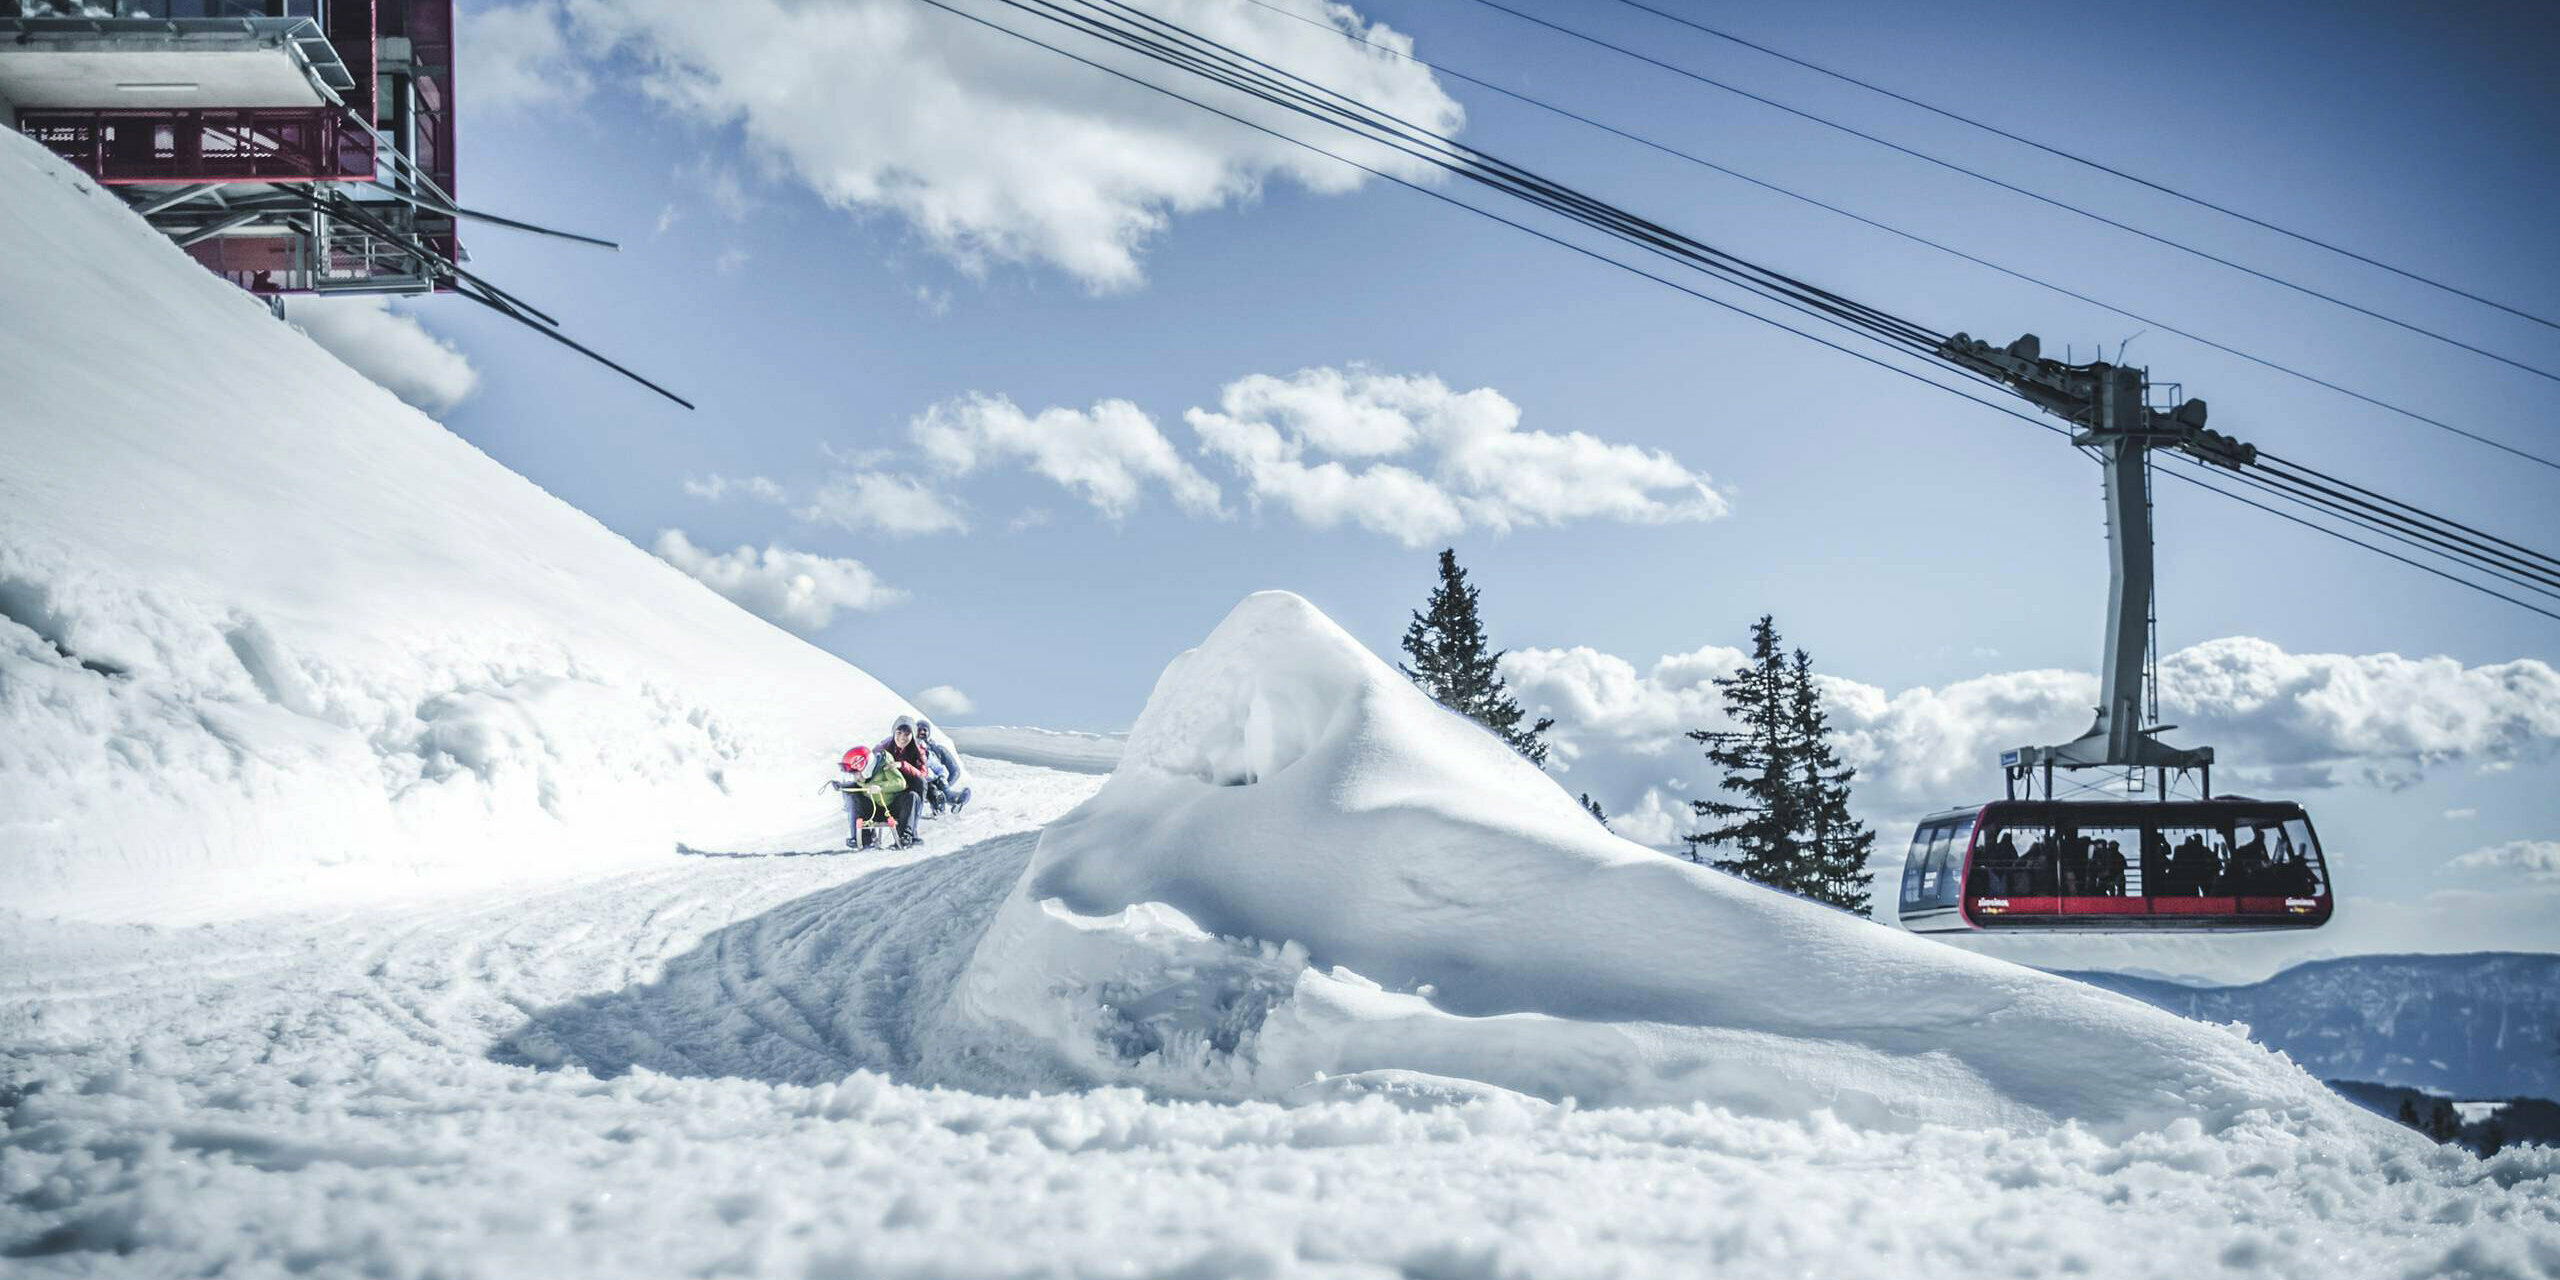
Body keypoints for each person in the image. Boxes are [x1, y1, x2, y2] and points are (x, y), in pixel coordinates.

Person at [874, 716, 930, 847]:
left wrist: (902, 765)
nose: (902, 737)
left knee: (919, 785)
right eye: (899, 733)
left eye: (907, 733)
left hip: (906, 795)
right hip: (886, 793)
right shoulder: (883, 748)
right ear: (894, 733)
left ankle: (908, 834)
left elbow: (922, 774)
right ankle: (866, 836)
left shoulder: (918, 751)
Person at [835, 744, 905, 850]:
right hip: (873, 809)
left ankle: (905, 837)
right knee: (854, 798)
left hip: (891, 807)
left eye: (856, 773)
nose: (855, 776)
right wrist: (841, 786)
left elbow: (900, 783)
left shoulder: (884, 765)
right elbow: (857, 786)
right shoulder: (863, 777)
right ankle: (864, 838)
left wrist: (880, 787)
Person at [915, 719, 971, 817]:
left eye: (924, 730)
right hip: (920, 780)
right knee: (932, 791)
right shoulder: (910, 747)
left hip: (934, 779)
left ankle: (960, 799)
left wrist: (946, 784)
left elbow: (955, 770)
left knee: (941, 793)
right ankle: (938, 806)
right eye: (919, 729)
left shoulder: (937, 750)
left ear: (929, 732)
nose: (921, 732)